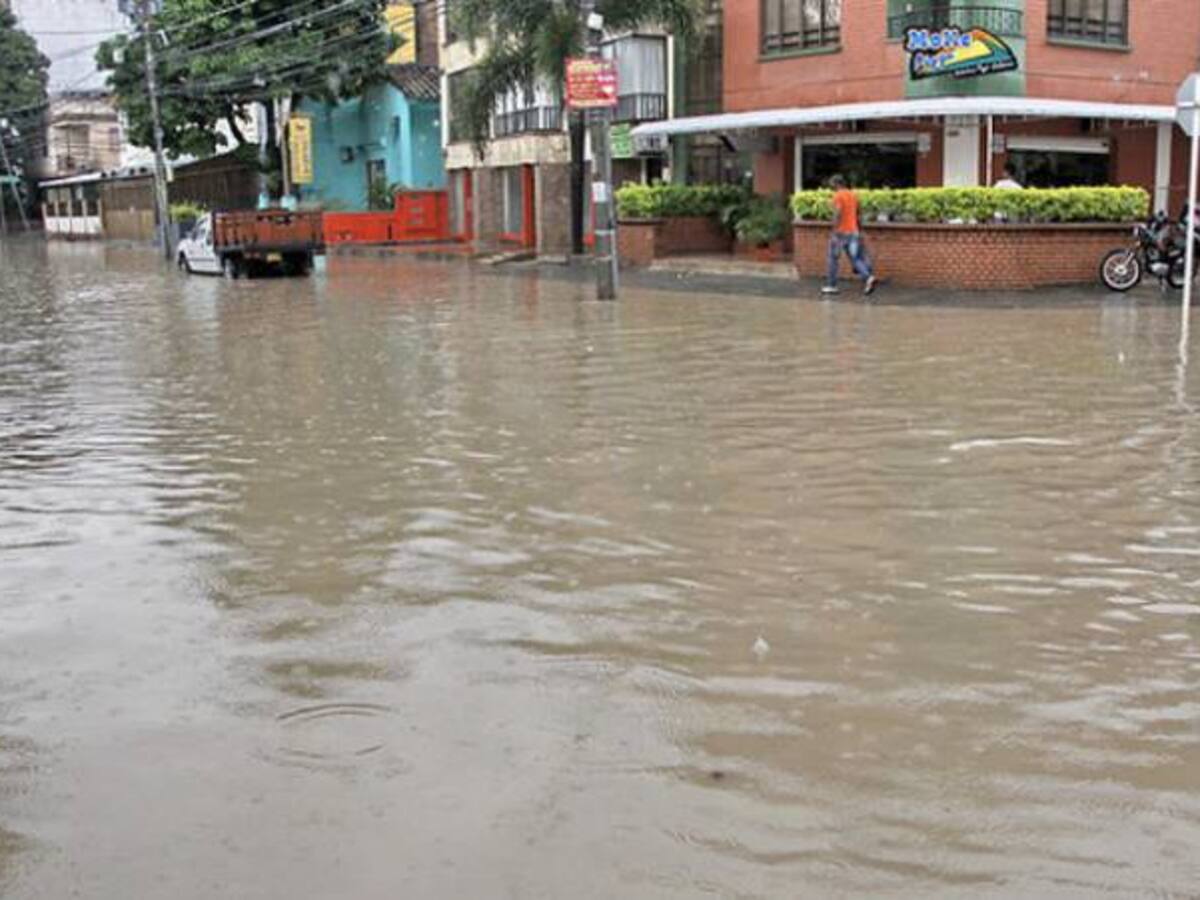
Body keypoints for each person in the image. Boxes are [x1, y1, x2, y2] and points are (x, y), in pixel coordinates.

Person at [823, 174, 877, 297]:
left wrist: (833, 231)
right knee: (856, 258)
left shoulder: (838, 196)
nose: (831, 187)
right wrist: (860, 229)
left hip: (841, 233)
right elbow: (859, 214)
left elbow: (837, 214)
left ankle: (832, 286)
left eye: (832, 184)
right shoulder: (853, 195)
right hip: (854, 232)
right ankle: (868, 277)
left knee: (833, 258)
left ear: (837, 184)